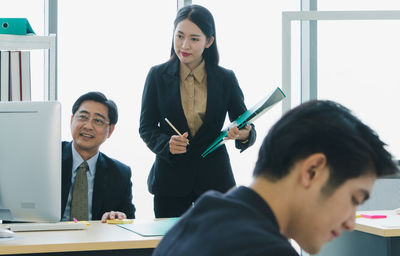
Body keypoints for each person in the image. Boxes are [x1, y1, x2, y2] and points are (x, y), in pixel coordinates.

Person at [152, 100, 398, 256]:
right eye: (354, 199)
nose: (350, 223)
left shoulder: (199, 219)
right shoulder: (264, 250)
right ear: (313, 171)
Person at [139, 4, 257, 218]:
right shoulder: (156, 75)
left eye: (194, 39)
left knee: (218, 246)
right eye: (179, 36)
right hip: (170, 181)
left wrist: (244, 133)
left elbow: (245, 123)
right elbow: (146, 128)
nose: (184, 45)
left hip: (215, 180)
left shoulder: (226, 78)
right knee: (172, 248)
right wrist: (166, 144)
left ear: (209, 41)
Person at [61, 91, 135, 222]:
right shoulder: (46, 158)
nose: (88, 126)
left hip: (96, 240)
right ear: (72, 120)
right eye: (83, 117)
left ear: (110, 131)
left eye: (98, 121)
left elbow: (128, 218)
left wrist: (118, 216)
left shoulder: (120, 174)